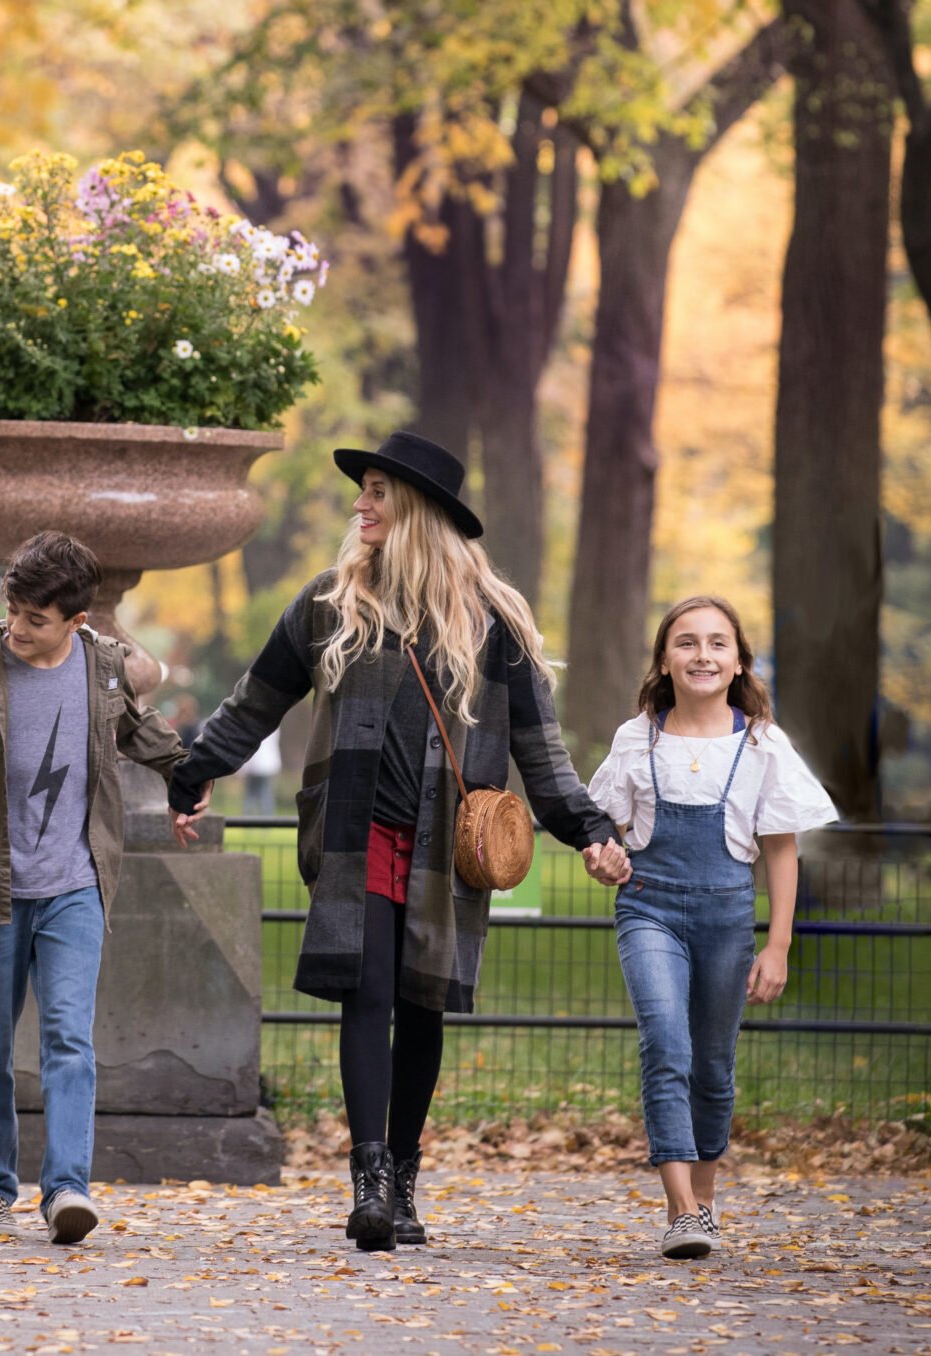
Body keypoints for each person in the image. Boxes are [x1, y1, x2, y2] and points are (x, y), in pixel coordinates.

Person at [166, 432, 629, 1253]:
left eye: (377, 491)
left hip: (444, 844)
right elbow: (254, 703)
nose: (360, 504)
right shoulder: (329, 604)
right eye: (364, 490)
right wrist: (196, 769)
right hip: (354, 833)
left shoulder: (494, 625)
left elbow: (543, 756)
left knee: (421, 1007)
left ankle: (407, 1175)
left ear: (416, 508)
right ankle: (370, 1180)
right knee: (367, 992)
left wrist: (589, 830)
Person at [0, 530, 190, 1245]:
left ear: (76, 622)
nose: (17, 629)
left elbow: (148, 739)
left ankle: (67, 1190)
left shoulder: (105, 668)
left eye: (36, 619)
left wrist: (193, 781)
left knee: (67, 1037)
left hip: (75, 881)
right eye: (13, 611)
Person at [586, 595, 836, 1260]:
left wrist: (778, 945)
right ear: (664, 660)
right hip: (649, 909)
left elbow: (782, 849)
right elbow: (602, 830)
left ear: (738, 661)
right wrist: (601, 857)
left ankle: (704, 1201)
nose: (702, 654)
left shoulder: (761, 744)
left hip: (728, 918)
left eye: (717, 643)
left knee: (714, 1068)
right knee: (666, 1045)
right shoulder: (635, 738)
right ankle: (683, 1211)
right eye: (687, 642)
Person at [241, 729, 284, 815]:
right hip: (267, 765)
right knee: (265, 793)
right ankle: (266, 818)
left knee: (252, 794)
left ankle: (249, 818)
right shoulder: (274, 727)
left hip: (255, 765)